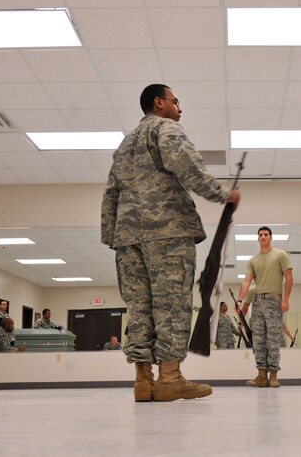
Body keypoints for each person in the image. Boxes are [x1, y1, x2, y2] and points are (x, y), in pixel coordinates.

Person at [102, 83, 240, 402]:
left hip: (128, 238)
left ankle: (142, 381)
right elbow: (187, 165)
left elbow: (110, 194)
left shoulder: (125, 145)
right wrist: (222, 194)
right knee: (172, 304)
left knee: (139, 308)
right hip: (166, 232)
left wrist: (114, 236)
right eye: (176, 101)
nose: (180, 109)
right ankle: (169, 379)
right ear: (159, 103)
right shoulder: (166, 128)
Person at [237, 226, 293, 388]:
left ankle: (273, 375)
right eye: (260, 235)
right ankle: (261, 375)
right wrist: (240, 300)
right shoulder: (253, 261)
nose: (263, 237)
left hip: (274, 300)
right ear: (258, 238)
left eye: (266, 234)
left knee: (273, 339)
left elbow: (289, 278)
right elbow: (247, 281)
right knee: (258, 340)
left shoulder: (280, 255)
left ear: (270, 237)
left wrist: (286, 299)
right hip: (258, 302)